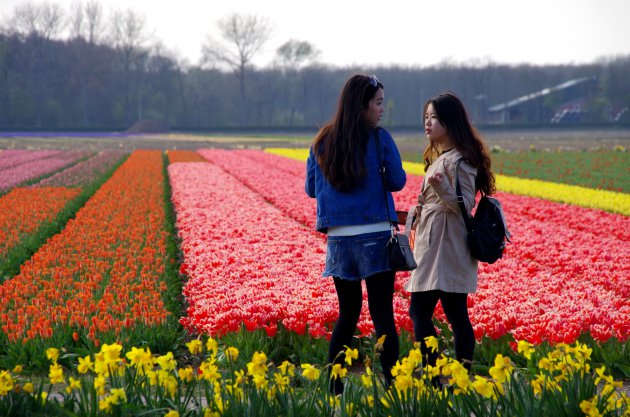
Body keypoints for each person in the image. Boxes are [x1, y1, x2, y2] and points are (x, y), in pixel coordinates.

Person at [305, 74, 407, 394]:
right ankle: (392, 386)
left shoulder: (322, 141)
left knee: (347, 315)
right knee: (382, 316)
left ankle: (334, 388)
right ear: (362, 105)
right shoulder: (378, 139)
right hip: (376, 235)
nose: (382, 109)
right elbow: (397, 181)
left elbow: (311, 188)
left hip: (339, 240)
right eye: (377, 103)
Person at [406, 91, 496, 375]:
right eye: (426, 117)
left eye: (434, 117)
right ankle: (455, 375)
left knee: (426, 311)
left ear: (450, 121)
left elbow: (466, 203)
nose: (428, 123)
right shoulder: (441, 157)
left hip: (447, 242)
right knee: (451, 312)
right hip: (434, 241)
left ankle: (441, 374)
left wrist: (442, 188)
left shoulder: (461, 161)